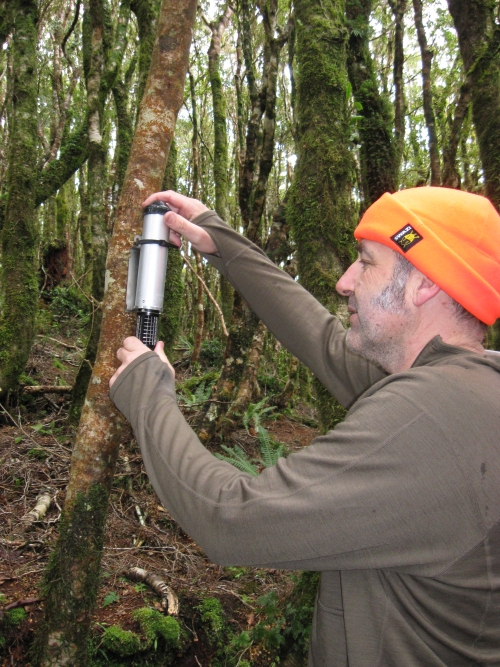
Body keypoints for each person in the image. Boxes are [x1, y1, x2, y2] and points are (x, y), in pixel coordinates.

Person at [109, 187, 500, 667]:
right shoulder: (468, 389)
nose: (344, 281)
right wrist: (221, 242)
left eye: (366, 262)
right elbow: (322, 341)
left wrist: (146, 394)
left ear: (423, 284)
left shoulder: (434, 418)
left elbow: (230, 518)